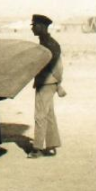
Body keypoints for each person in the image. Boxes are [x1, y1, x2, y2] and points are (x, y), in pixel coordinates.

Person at [29, 14, 64, 158]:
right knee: (48, 113)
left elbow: (56, 65)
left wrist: (58, 83)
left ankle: (37, 149)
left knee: (40, 114)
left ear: (42, 27)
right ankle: (52, 144)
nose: (32, 28)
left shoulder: (48, 44)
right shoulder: (47, 42)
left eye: (34, 25)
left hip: (46, 83)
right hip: (48, 82)